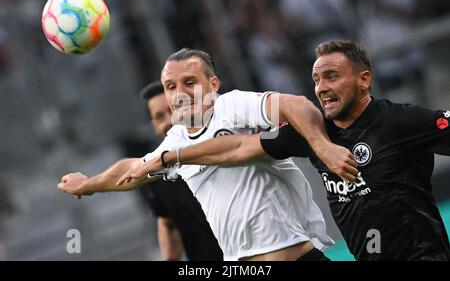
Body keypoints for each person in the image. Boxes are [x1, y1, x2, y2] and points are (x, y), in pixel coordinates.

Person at [128, 41, 450, 261]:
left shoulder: (400, 121)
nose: (321, 87)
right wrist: (173, 156)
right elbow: (240, 147)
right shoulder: (311, 132)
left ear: (364, 80)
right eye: (316, 79)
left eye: (332, 77)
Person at [59, 48, 358, 261]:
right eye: (171, 86)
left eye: (190, 83)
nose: (179, 93)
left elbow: (298, 105)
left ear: (212, 85)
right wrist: (89, 185)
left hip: (294, 253)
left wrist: (323, 146)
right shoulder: (174, 140)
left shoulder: (231, 107)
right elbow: (132, 170)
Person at [139, 82, 223, 260]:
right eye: (160, 117)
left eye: (172, 110)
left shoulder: (219, 144)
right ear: (154, 125)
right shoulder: (155, 173)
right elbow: (167, 222)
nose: (169, 121)